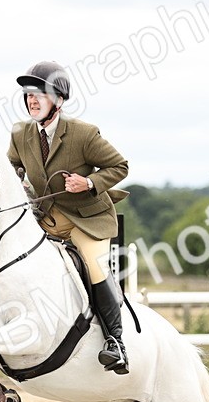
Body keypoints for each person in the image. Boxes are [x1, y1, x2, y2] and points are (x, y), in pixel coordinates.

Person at [7, 60, 131, 374]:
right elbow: (12, 167)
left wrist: (88, 183)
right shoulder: (20, 133)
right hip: (47, 217)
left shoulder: (83, 134)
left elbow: (120, 166)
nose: (32, 101)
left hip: (87, 219)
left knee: (93, 265)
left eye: (40, 95)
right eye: (29, 95)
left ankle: (115, 342)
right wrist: (18, 181)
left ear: (59, 100)